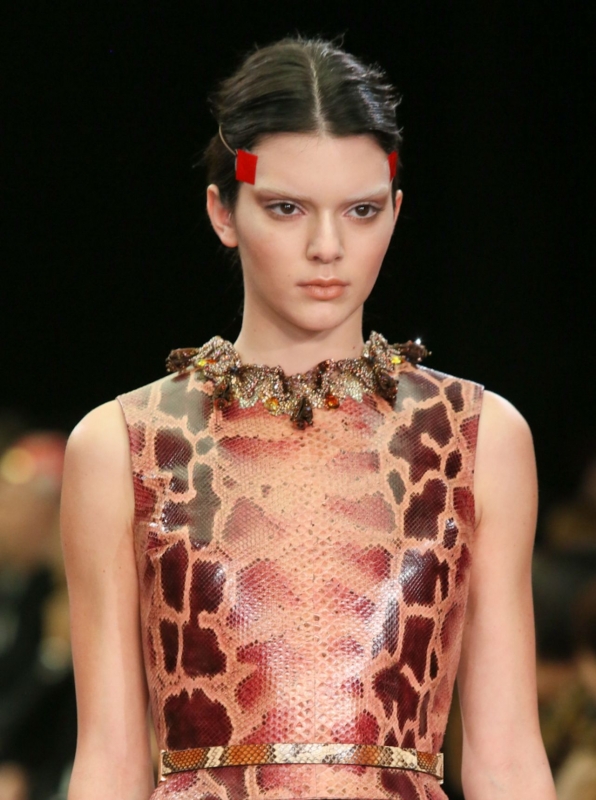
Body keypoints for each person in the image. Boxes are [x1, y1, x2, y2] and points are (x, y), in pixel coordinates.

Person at [61, 36, 556, 800]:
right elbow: (111, 760)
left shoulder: (473, 437)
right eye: (286, 208)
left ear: (395, 212)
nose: (328, 247)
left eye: (361, 211)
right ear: (223, 211)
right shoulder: (129, 444)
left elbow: (506, 758)